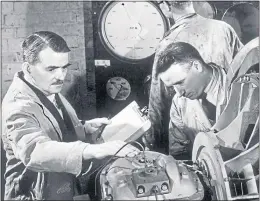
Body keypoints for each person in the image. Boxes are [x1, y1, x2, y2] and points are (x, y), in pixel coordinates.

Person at [1, 31, 138, 200]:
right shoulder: (18, 105)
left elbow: (51, 121)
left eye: (64, 67)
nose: (60, 76)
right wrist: (94, 149)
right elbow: (34, 151)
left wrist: (84, 126)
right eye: (51, 69)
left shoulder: (44, 86)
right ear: (28, 68)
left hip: (60, 187)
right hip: (33, 194)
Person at [144, 0, 243, 156]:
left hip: (200, 141)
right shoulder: (224, 28)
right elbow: (246, 69)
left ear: (165, 5)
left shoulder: (168, 43)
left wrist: (152, 148)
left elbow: (158, 106)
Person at [154, 42, 227, 157]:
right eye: (172, 86)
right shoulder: (179, 103)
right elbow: (178, 153)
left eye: (180, 82)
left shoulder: (239, 87)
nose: (179, 93)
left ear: (197, 66)